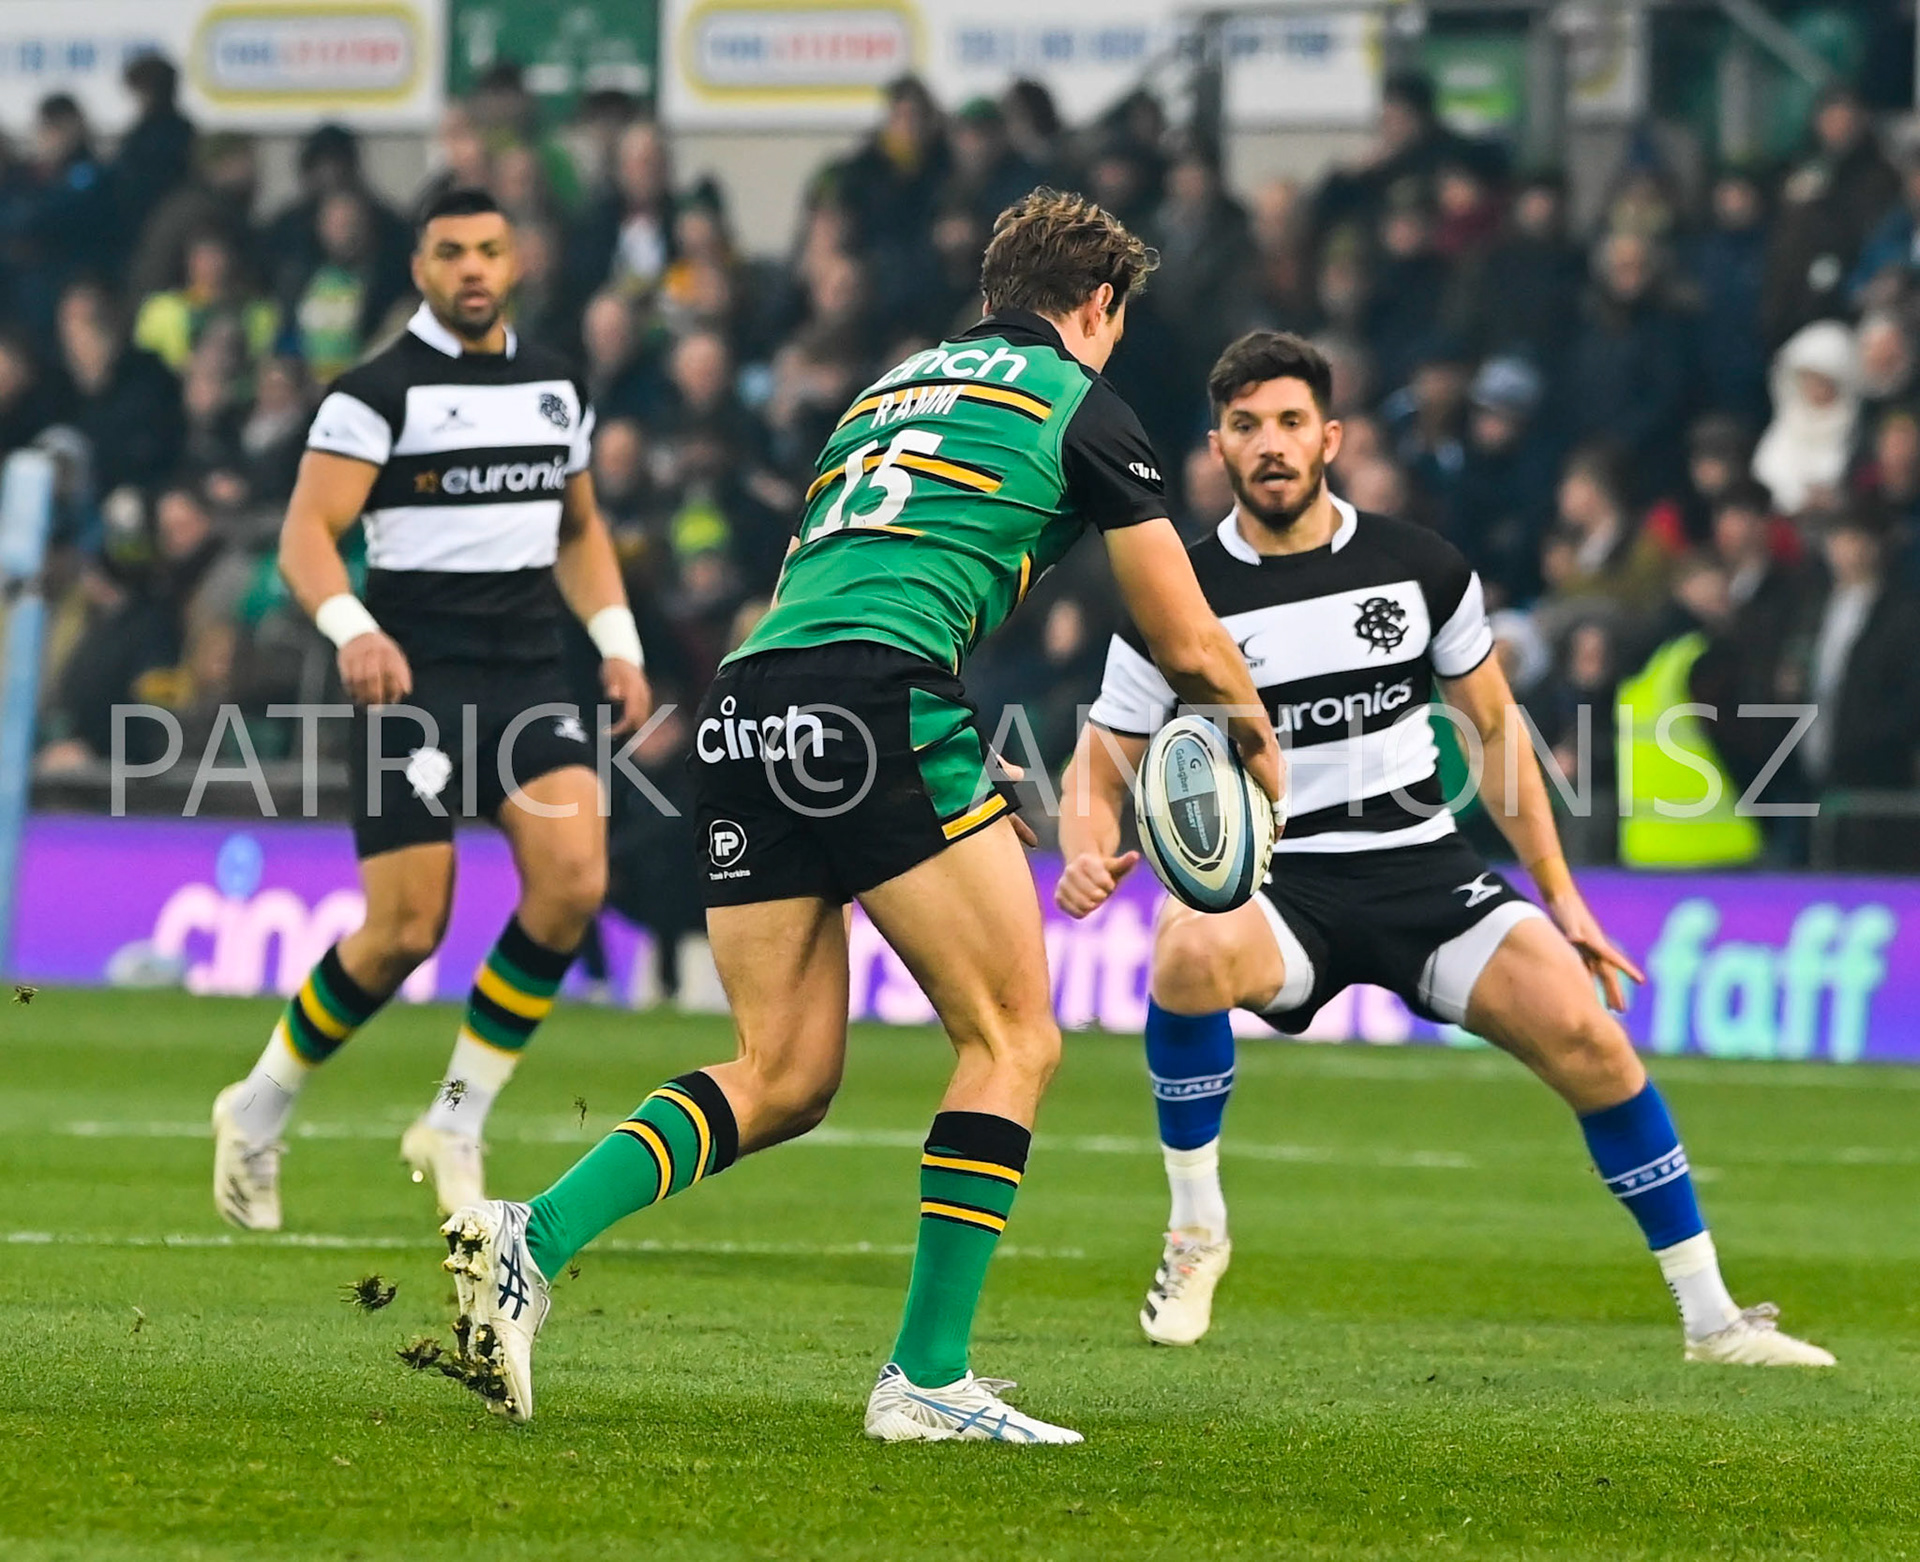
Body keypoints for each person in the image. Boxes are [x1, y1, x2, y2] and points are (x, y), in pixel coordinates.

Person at [438, 190, 1284, 1439]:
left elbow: (831, 573)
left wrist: (929, 759)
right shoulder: (1083, 405)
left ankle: (530, 1233)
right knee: (1013, 1040)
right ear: (1098, 304)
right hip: (879, 703)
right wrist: (1262, 746)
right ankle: (926, 1378)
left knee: (783, 1073)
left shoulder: (887, 390)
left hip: (751, 701)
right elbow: (1185, 637)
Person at [1055, 330, 1833, 1369]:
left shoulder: (1420, 567)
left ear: (1330, 435)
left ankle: (1713, 1319)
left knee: (1591, 1036)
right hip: (1284, 880)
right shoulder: (1177, 594)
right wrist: (1084, 845)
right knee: (1187, 950)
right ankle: (1196, 1228)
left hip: (1425, 866)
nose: (1270, 445)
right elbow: (1101, 758)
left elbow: (1501, 737)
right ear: (1218, 446)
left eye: (1290, 422)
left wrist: (1564, 899)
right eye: (1246, 427)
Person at [208, 189, 651, 1231]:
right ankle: (259, 1101)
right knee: (408, 926)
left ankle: (456, 1115)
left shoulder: (555, 385)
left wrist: (618, 641)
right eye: (450, 251)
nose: (471, 269)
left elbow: (578, 530)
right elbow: (305, 535)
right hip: (414, 678)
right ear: (418, 266)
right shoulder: (375, 395)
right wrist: (354, 626)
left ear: (517, 260)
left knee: (573, 881)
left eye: (489, 250)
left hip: (528, 671)